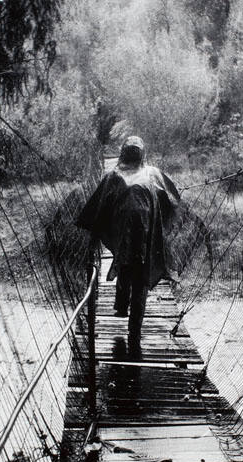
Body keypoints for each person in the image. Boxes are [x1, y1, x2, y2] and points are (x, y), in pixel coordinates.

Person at [76, 136, 180, 355]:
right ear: (142, 154)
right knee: (141, 275)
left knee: (124, 261)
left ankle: (122, 306)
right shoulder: (152, 173)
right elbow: (172, 198)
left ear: (123, 153)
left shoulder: (113, 175)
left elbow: (99, 206)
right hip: (146, 233)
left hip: (124, 230)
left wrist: (95, 236)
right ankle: (134, 334)